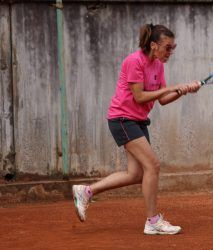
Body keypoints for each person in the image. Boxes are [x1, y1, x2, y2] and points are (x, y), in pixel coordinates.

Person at [72, 23, 200, 235]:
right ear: (153, 45)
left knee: (136, 173)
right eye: (167, 47)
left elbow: (163, 99)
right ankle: (152, 221)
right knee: (153, 166)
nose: (170, 52)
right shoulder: (134, 61)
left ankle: (86, 191)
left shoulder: (158, 65)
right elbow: (139, 96)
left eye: (173, 48)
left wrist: (183, 91)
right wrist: (171, 88)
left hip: (138, 121)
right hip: (122, 119)